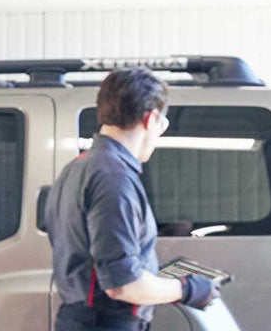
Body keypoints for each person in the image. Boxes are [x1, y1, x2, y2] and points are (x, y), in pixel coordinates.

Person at [43, 68, 223, 331]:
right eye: (163, 124)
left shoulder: (79, 167)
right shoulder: (113, 177)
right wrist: (188, 288)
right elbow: (122, 285)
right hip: (106, 323)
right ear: (150, 119)